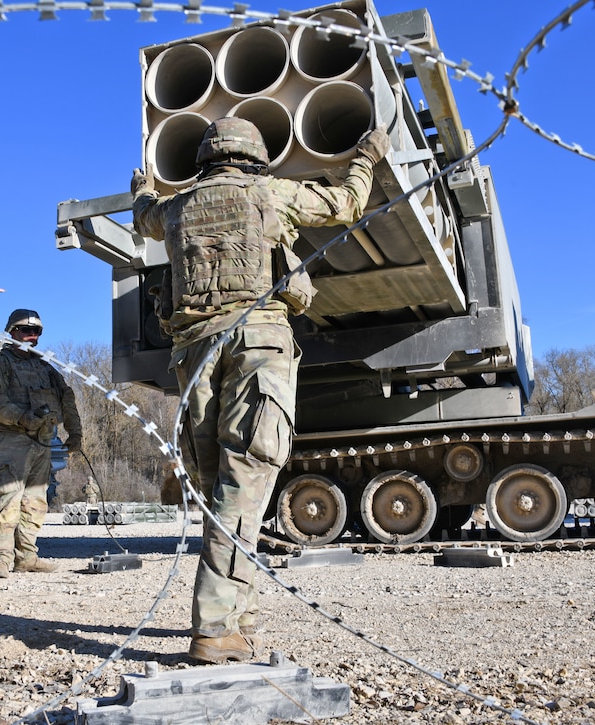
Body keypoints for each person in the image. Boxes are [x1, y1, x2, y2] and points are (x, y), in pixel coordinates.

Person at [131, 117, 389, 664]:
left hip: (193, 354)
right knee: (245, 479)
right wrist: (369, 154)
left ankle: (239, 616)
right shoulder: (269, 194)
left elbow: (145, 216)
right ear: (254, 157)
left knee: (217, 488)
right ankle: (216, 626)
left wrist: (143, 189)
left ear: (205, 158)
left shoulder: (176, 208)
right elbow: (345, 204)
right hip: (256, 343)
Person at [0, 309, 82, 578]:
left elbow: (67, 399)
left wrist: (75, 434)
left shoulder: (45, 368)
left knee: (35, 502)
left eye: (36, 331)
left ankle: (26, 556)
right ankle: (0, 559)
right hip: (11, 439)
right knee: (7, 500)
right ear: (12, 331)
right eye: (26, 330)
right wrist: (24, 418)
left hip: (43, 442)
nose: (32, 336)